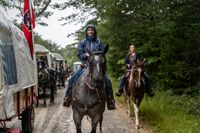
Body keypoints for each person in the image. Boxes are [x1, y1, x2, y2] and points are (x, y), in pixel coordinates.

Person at [63, 24, 116, 109]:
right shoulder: (83, 42)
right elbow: (79, 54)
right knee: (72, 79)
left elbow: (102, 55)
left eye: (92, 30)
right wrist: (85, 55)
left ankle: (111, 101)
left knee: (107, 81)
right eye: (88, 30)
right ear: (86, 32)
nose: (90, 31)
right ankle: (67, 98)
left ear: (94, 31)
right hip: (85, 65)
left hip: (97, 66)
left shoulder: (99, 42)